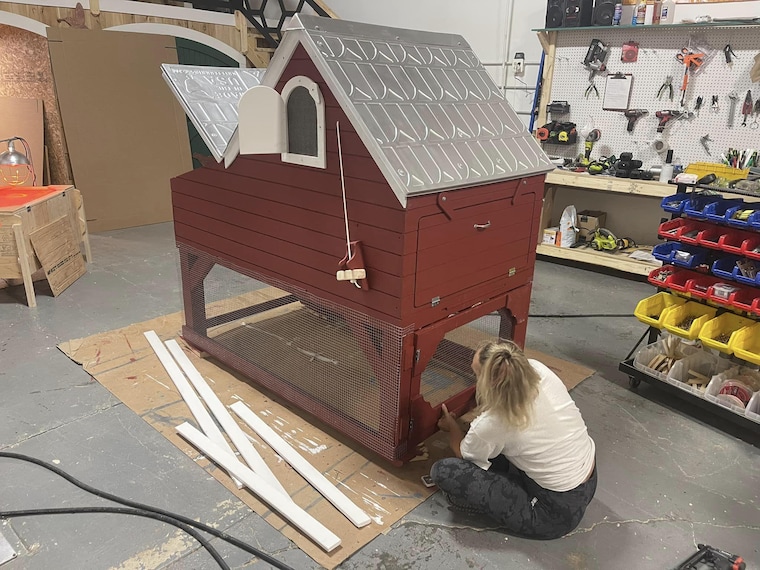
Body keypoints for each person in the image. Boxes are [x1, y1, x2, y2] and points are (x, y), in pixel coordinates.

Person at [429, 340, 596, 540]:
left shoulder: (494, 422)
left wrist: (452, 427)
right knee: (499, 447)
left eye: (476, 374)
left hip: (554, 514)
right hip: (589, 478)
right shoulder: (538, 369)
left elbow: (463, 453)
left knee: (444, 471)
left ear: (489, 383)